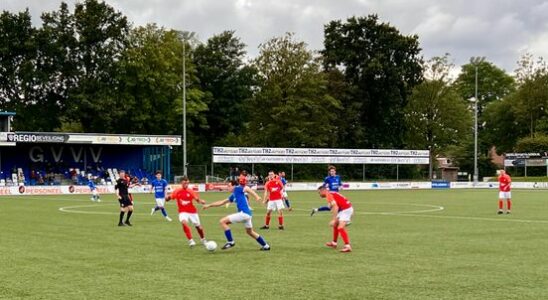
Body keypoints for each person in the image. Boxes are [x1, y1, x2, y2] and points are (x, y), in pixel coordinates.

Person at [203, 179, 270, 251]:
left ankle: (230, 241)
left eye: (229, 186)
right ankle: (266, 246)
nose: (228, 187)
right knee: (250, 232)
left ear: (234, 186)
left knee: (223, 221)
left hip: (243, 213)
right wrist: (209, 205)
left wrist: (256, 196)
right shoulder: (233, 195)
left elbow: (247, 188)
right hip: (247, 215)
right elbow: (222, 202)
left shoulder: (237, 189)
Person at [167, 176, 207, 247]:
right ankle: (191, 241)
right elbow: (169, 198)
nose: (186, 184)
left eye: (187, 183)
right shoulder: (177, 191)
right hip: (182, 211)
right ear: (181, 183)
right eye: (184, 183)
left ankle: (203, 239)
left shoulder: (191, 191)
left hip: (192, 212)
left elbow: (197, 199)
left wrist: (202, 201)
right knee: (184, 223)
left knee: (199, 227)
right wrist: (167, 198)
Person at [318, 186, 353, 253]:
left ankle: (347, 246)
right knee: (335, 225)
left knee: (340, 227)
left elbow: (335, 207)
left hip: (345, 210)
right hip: (344, 209)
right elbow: (329, 207)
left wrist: (334, 219)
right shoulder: (331, 193)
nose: (319, 194)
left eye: (319, 192)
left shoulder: (329, 195)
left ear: (323, 191)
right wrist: (318, 209)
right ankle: (334, 243)